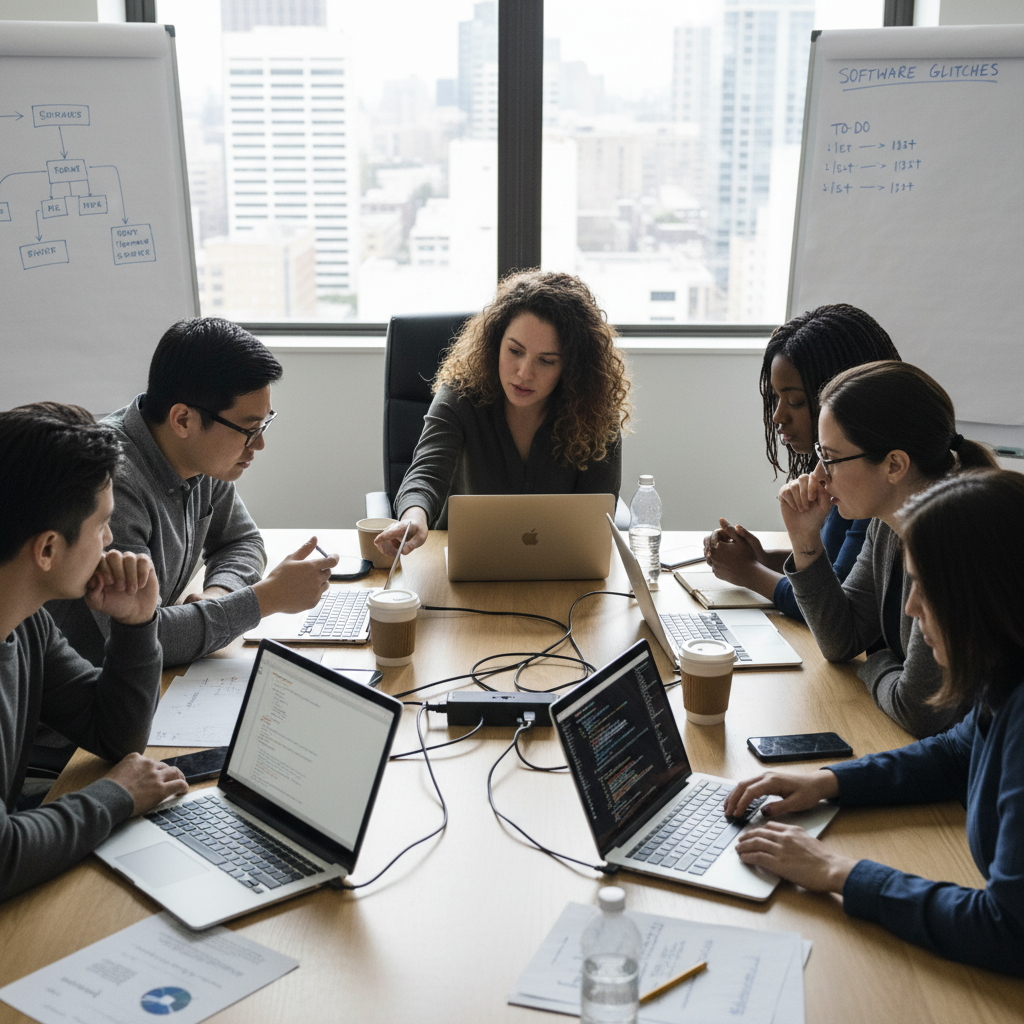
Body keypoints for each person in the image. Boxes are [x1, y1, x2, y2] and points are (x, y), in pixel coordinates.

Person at [725, 469, 1024, 978]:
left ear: (983, 595)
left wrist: (837, 871)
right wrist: (827, 782)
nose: (910, 606)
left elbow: (1008, 931)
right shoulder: (1006, 672)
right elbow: (956, 751)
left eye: (925, 590)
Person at [47, 318, 338, 668]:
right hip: (79, 695)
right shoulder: (110, 485)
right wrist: (265, 599)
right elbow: (142, 639)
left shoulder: (200, 457)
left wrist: (218, 595)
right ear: (183, 420)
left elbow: (242, 541)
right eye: (248, 429)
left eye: (264, 424)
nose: (259, 444)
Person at [0, 409, 188, 903]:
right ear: (47, 549)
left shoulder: (25, 620)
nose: (109, 540)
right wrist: (117, 795)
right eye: (102, 524)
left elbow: (113, 732)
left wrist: (136, 624)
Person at [777, 360, 995, 737]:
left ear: (894, 465)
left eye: (831, 457)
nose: (819, 474)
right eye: (819, 454)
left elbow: (920, 710)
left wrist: (876, 661)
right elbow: (841, 639)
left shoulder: (952, 545)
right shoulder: (886, 525)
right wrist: (804, 538)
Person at [375, 270, 631, 558]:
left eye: (546, 361)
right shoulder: (460, 395)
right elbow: (425, 475)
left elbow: (597, 515)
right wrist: (414, 517)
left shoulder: (594, 413)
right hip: (460, 567)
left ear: (571, 367)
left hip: (561, 573)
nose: (524, 373)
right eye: (514, 351)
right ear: (495, 344)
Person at [703, 304, 901, 621]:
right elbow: (833, 561)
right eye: (775, 399)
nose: (779, 416)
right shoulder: (846, 472)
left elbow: (833, 606)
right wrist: (764, 558)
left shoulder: (877, 485)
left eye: (795, 401)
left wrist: (750, 572)